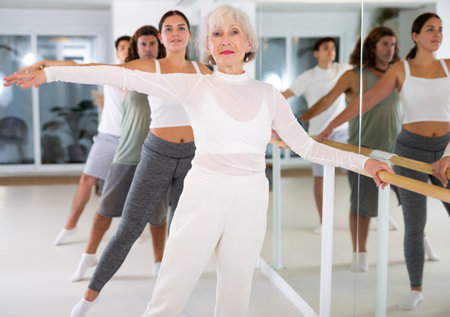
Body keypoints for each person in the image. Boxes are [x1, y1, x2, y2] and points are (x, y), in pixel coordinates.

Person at [4, 5, 393, 317]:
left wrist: (367, 164)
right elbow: (118, 75)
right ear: (207, 45)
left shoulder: (268, 94)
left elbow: (308, 147)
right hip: (203, 192)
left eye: (234, 31)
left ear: (248, 43)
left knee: (236, 292)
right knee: (171, 291)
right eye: (217, 33)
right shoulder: (193, 83)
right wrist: (50, 72)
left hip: (251, 199)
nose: (225, 40)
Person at [316, 13, 450, 310]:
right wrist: (327, 128)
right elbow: (366, 100)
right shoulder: (401, 69)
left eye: (441, 30)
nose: (437, 34)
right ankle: (416, 288)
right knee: (415, 224)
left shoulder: (448, 66)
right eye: (430, 29)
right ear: (415, 35)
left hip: (445, 151)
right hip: (411, 150)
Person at [69, 25, 170, 282]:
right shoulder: (127, 74)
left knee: (157, 217)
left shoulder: (169, 75)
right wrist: (48, 70)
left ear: (159, 47)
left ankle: (159, 263)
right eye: (143, 44)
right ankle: (88, 256)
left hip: (157, 156)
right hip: (127, 154)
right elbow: (86, 69)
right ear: (136, 48)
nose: (148, 48)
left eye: (152, 44)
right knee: (105, 211)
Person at [300, 26, 401, 272]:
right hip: (365, 149)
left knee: (411, 204)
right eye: (385, 44)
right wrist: (300, 120)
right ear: (372, 47)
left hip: (397, 148)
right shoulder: (354, 76)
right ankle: (360, 253)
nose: (390, 49)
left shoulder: (399, 73)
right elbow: (327, 100)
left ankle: (423, 244)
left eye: (393, 44)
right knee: (361, 206)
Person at [50, 35, 131, 245]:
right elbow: (75, 66)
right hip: (107, 137)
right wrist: (44, 67)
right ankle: (70, 225)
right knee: (86, 179)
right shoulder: (109, 72)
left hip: (133, 139)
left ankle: (132, 227)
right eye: (122, 47)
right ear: (117, 52)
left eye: (130, 47)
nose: (126, 51)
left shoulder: (143, 75)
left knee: (134, 185)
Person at [282, 37, 352, 233]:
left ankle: (375, 212)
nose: (331, 51)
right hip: (318, 134)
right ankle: (324, 222)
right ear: (316, 54)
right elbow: (284, 96)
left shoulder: (343, 69)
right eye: (325, 48)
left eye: (332, 47)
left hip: (341, 131)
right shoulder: (308, 76)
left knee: (357, 175)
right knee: (320, 179)